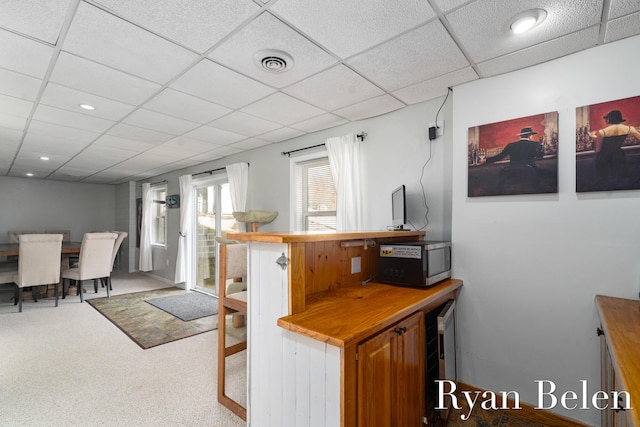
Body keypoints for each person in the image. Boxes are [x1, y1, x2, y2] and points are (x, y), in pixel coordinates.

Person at [589, 110, 640, 181]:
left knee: (605, 182)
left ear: (609, 119)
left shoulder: (602, 132)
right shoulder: (630, 128)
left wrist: (594, 138)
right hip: (619, 156)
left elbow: (597, 150)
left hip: (604, 158)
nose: (605, 120)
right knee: (621, 181)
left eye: (606, 118)